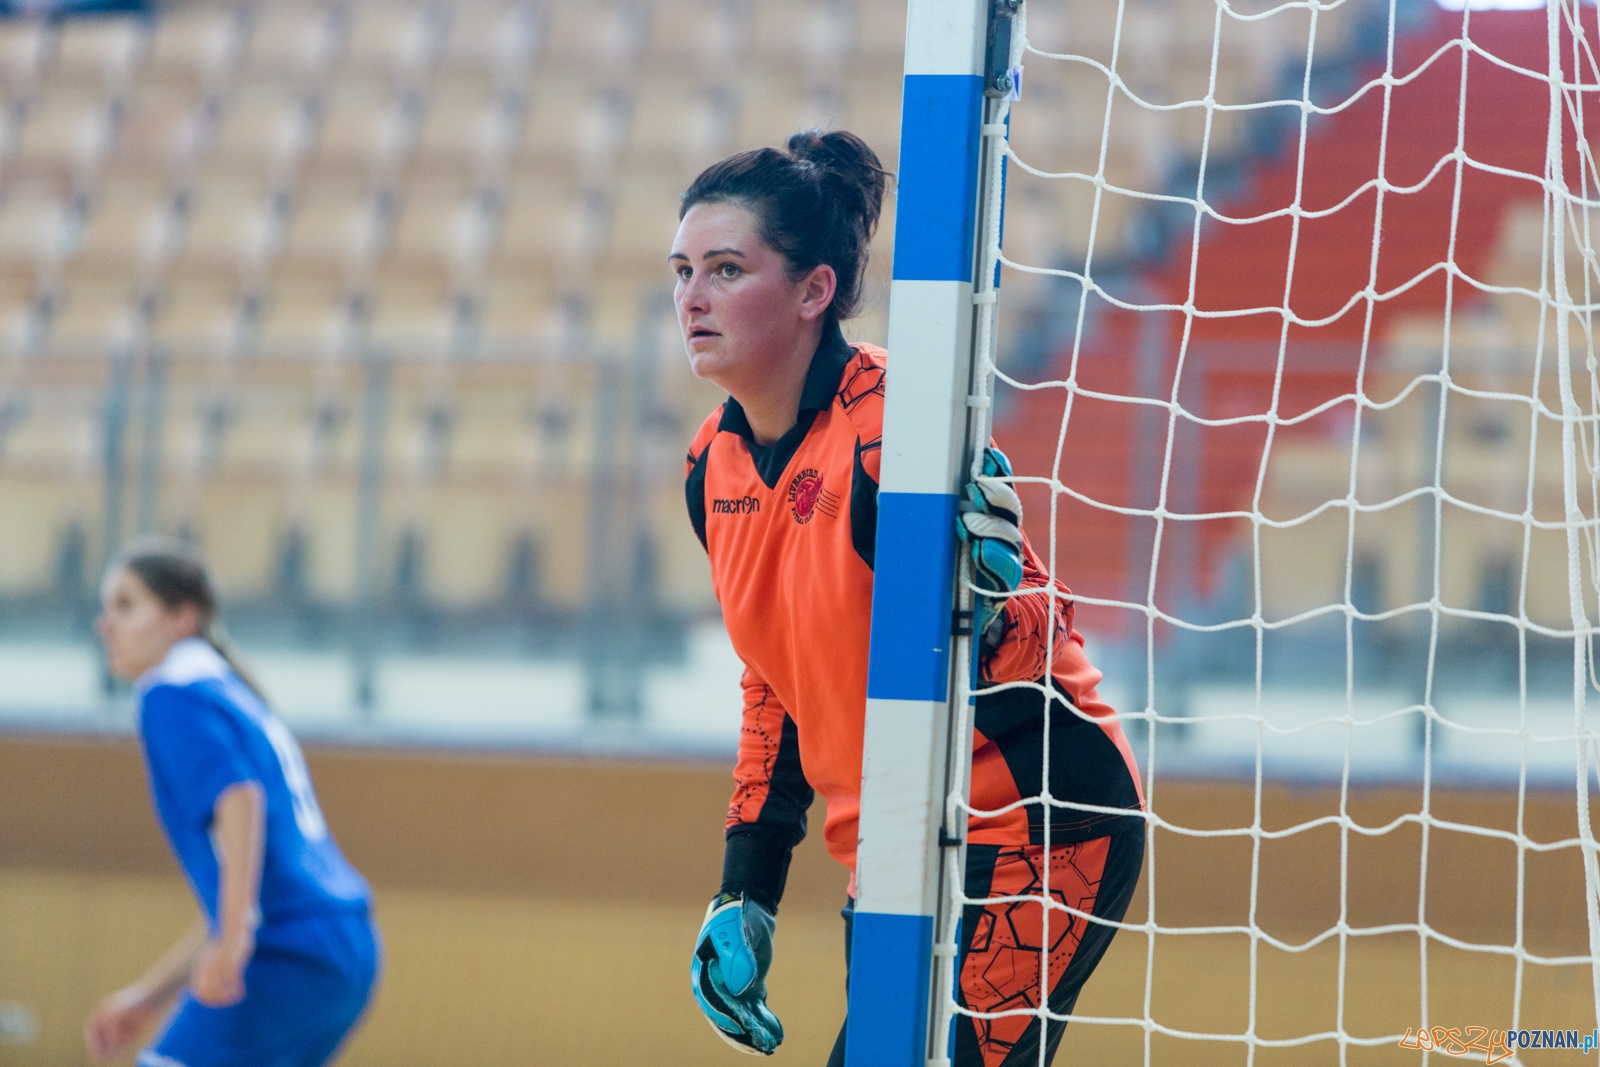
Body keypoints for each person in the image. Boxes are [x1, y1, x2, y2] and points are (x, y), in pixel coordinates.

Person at [675, 129, 1148, 1067]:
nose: (692, 296)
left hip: (1035, 815)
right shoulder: (708, 466)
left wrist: (993, 598)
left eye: (726, 269)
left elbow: (1033, 630)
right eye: (683, 270)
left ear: (814, 291)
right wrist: (747, 886)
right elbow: (776, 682)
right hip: (894, 836)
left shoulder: (897, 424)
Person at [84, 538, 380, 1067]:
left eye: (126, 606)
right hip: (344, 947)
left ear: (182, 618)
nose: (105, 625)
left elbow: (240, 797)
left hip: (286, 952)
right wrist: (150, 996)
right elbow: (239, 895)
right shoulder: (225, 691)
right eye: (106, 609)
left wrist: (236, 935)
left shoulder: (169, 692)